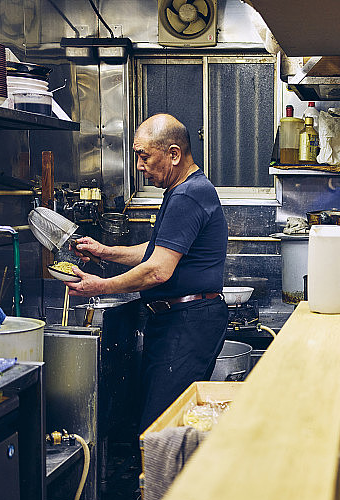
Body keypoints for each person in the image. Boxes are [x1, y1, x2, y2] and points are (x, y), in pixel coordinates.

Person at [66, 113, 229, 432]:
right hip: (181, 320)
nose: (139, 166)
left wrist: (99, 286)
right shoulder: (185, 190)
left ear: (173, 153)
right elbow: (159, 252)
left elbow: (157, 270)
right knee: (169, 425)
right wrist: (104, 251)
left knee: (161, 430)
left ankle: (162, 484)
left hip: (187, 323)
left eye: (144, 156)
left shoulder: (187, 195)